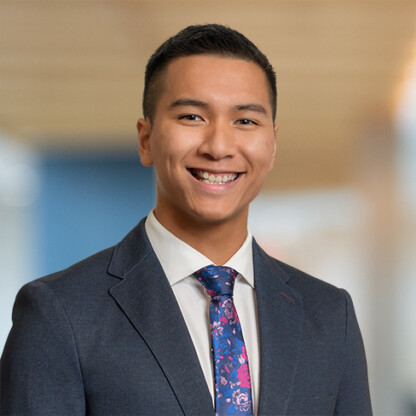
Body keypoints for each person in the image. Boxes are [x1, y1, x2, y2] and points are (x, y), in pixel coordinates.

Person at [1, 24, 372, 415]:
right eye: (193, 117)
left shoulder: (330, 316)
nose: (218, 147)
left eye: (245, 121)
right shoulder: (61, 313)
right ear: (146, 140)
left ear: (273, 144)